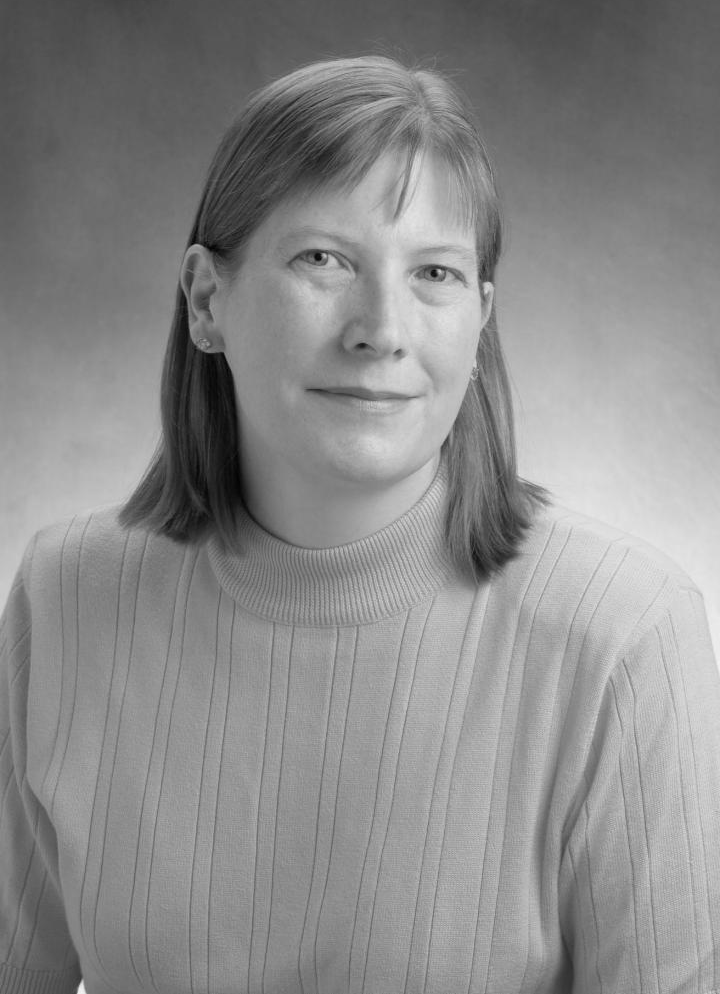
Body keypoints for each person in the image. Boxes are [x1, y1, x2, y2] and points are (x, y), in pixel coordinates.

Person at [1, 56, 719, 994]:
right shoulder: (65, 599)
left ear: (479, 323)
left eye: (434, 272)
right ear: (208, 300)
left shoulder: (625, 634)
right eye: (323, 260)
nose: (381, 327)